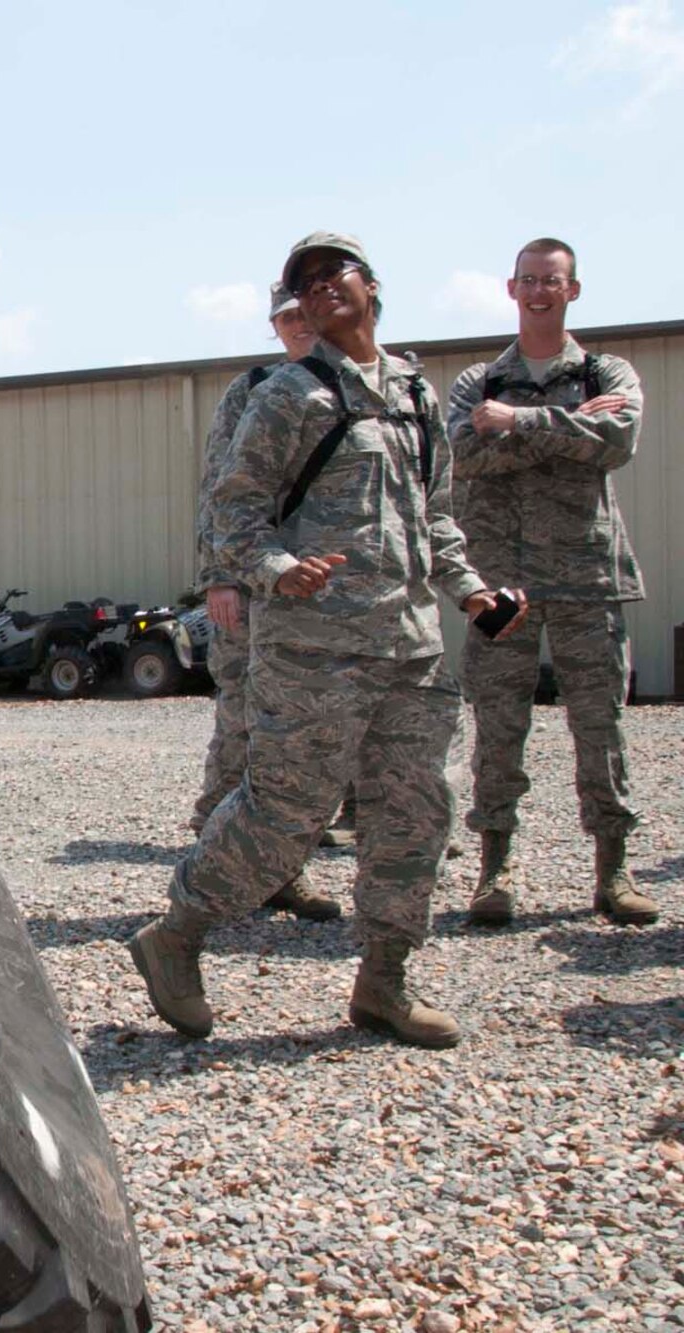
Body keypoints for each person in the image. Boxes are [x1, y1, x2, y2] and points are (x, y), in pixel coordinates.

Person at [130, 232, 526, 1050]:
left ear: (371, 286)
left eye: (332, 273)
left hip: (411, 649)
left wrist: (473, 592)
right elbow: (232, 515)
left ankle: (383, 982)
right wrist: (278, 569)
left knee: (415, 814)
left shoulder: (417, 392)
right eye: (302, 284)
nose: (319, 289)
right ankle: (176, 936)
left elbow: (435, 518)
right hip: (313, 652)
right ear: (297, 307)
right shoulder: (286, 396)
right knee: (283, 815)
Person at [447, 238, 653, 927]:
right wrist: (569, 430)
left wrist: (522, 422)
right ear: (511, 289)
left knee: (602, 729)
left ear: (573, 289)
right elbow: (467, 456)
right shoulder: (478, 382)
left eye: (552, 281)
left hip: (587, 578)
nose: (540, 291)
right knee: (498, 729)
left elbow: (618, 441)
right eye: (529, 280)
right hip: (501, 584)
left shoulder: (604, 372)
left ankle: (613, 871)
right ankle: (494, 870)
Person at [190, 281, 341, 922]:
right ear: (274, 326)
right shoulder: (250, 391)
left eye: (307, 312)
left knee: (313, 733)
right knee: (246, 721)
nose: (299, 324)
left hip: (336, 591)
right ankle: (221, 855)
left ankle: (284, 859)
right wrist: (219, 576)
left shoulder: (356, 386)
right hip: (254, 587)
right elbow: (219, 488)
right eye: (287, 316)